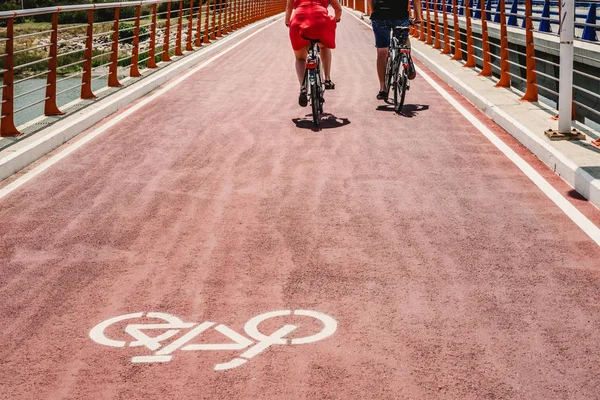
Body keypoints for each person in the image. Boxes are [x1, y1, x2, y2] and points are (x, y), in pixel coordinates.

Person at [286, 0, 342, 107]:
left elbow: (289, 9)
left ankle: (303, 88)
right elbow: (338, 9)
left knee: (300, 58)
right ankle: (327, 79)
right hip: (320, 21)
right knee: (324, 46)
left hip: (299, 22)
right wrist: (337, 18)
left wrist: (287, 22)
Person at [367, 0, 423, 100]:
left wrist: (372, 12)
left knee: (382, 51)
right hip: (400, 14)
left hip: (380, 15)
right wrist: (418, 16)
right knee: (404, 39)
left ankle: (383, 88)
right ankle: (408, 60)